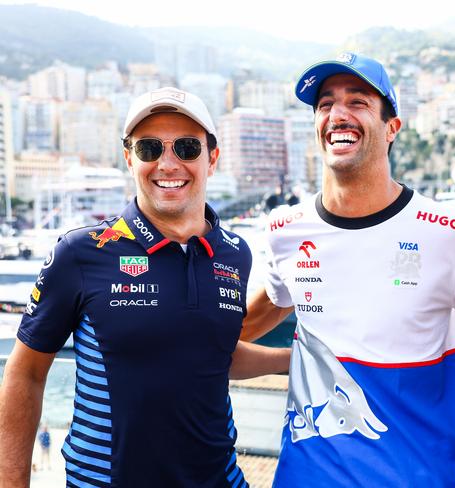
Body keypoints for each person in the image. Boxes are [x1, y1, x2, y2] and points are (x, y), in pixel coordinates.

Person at [241, 53, 455, 487]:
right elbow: (258, 314)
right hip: (305, 477)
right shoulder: (283, 230)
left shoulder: (450, 233)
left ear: (392, 128)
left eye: (358, 102)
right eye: (325, 104)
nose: (338, 115)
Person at [0, 87, 290, 487]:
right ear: (129, 158)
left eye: (187, 148)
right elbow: (25, 374)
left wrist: (294, 359)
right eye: (150, 148)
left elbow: (212, 354)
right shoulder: (81, 253)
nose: (168, 164)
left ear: (213, 158)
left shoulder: (235, 253)